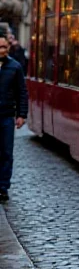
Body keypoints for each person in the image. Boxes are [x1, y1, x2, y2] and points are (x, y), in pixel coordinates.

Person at [0, 35, 28, 201]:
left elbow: (22, 93)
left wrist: (22, 115)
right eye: (0, 47)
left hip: (6, 117)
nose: (2, 50)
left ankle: (3, 188)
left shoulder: (15, 67)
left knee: (6, 153)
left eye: (4, 47)